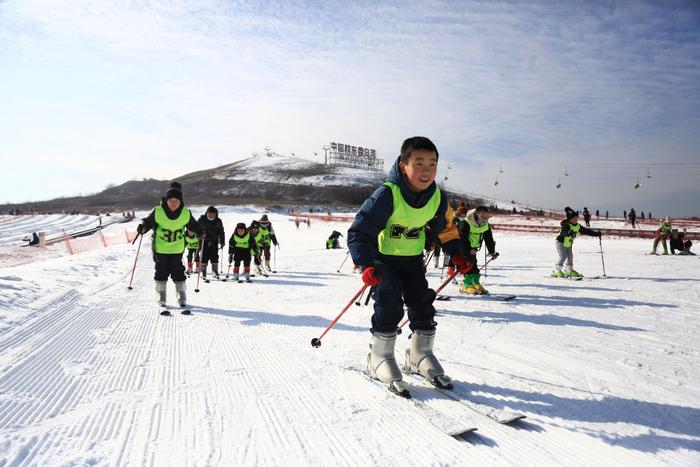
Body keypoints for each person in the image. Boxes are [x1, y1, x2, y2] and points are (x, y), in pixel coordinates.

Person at [347, 136, 470, 397]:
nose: (426, 171)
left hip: (412, 260)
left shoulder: (437, 198)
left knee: (422, 303)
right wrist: (366, 263)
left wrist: (457, 255)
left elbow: (446, 229)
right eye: (419, 163)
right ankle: (379, 357)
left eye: (432, 164)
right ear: (403, 165)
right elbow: (360, 231)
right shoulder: (387, 194)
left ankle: (420, 354)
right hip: (384, 261)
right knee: (389, 304)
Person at [137, 187, 202, 313]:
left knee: (178, 270)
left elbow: (193, 225)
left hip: (177, 248)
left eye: (176, 200)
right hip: (160, 248)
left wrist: (201, 232)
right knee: (161, 271)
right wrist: (143, 227)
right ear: (166, 200)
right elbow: (149, 222)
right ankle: (161, 298)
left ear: (181, 202)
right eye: (171, 200)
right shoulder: (158, 211)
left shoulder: (185, 213)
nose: (173, 203)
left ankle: (181, 297)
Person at [456, 206, 498, 295]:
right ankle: (466, 284)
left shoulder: (485, 225)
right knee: (468, 265)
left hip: (473, 249)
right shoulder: (466, 223)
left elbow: (489, 238)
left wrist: (491, 252)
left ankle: (475, 283)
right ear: (476, 215)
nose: (485, 219)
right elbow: (461, 239)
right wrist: (469, 249)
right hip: (462, 248)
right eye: (482, 216)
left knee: (473, 265)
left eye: (487, 217)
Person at [552, 207, 601, 278]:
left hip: (568, 243)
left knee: (570, 256)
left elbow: (586, 231)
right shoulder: (566, 225)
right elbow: (564, 232)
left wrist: (596, 234)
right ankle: (557, 270)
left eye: (576, 218)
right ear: (570, 219)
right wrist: (569, 233)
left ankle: (569, 270)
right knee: (563, 255)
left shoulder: (577, 226)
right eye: (574, 218)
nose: (576, 219)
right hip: (560, 242)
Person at [197, 206, 225, 280]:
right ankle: (203, 271)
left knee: (214, 255)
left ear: (216, 214)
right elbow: (196, 228)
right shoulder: (202, 219)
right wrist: (199, 235)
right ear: (207, 213)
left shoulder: (218, 221)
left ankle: (214, 270)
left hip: (214, 240)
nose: (211, 215)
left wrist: (222, 241)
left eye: (213, 214)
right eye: (210, 213)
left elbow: (221, 231)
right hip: (204, 240)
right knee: (204, 255)